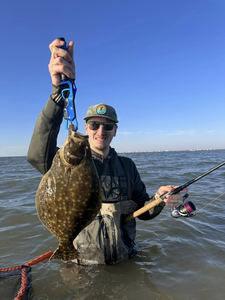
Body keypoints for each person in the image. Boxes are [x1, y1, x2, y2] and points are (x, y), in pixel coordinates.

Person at [27, 38, 187, 265]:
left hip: (125, 259)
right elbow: (36, 154)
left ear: (115, 131)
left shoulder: (127, 166)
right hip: (82, 263)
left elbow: (145, 211)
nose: (100, 130)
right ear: (86, 128)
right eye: (94, 124)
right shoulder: (60, 163)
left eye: (108, 126)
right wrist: (57, 94)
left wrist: (160, 199)